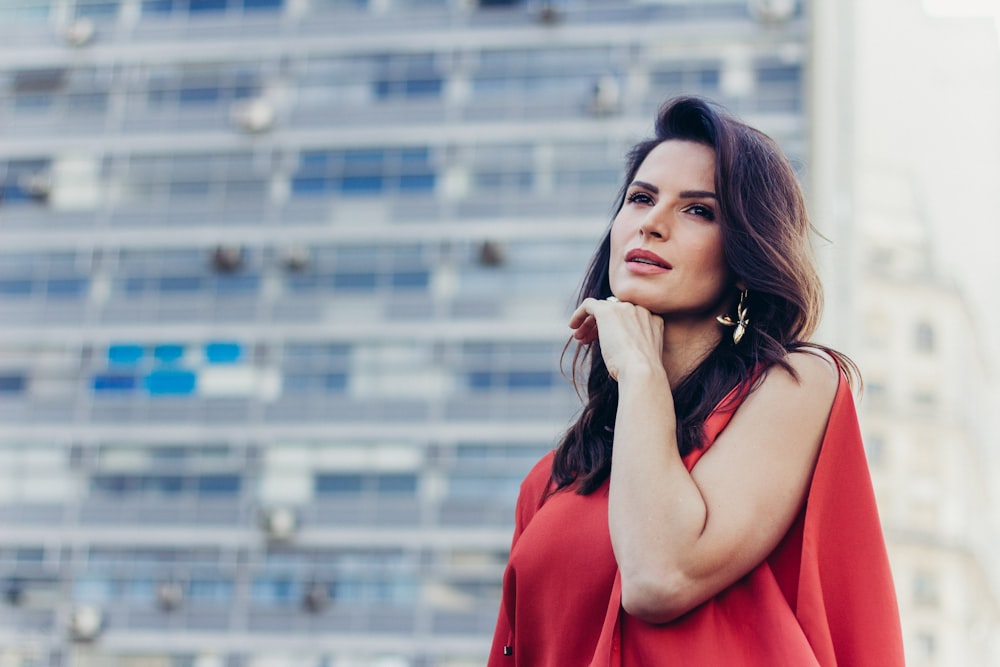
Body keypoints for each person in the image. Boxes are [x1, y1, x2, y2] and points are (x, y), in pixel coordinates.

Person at [487, 96, 904, 666]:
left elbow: (660, 576)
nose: (651, 224)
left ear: (745, 253)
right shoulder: (552, 479)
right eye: (641, 198)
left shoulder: (798, 384)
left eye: (699, 210)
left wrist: (640, 370)